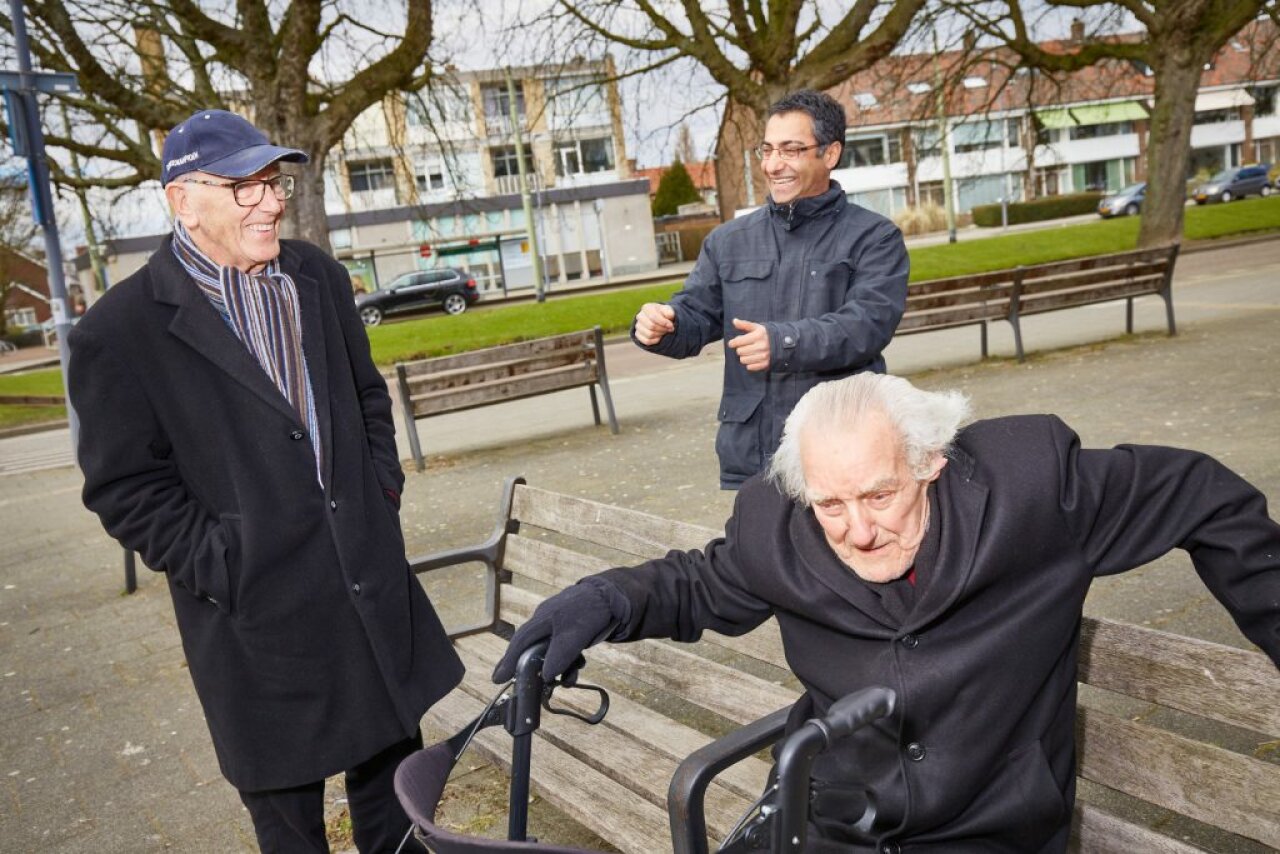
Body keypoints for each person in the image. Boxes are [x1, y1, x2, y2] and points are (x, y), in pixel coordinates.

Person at [493, 373, 1280, 851]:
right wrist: (599, 600)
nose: (859, 530)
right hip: (829, 820)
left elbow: (1206, 498)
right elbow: (698, 584)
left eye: (879, 494)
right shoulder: (781, 526)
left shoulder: (1037, 492)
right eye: (831, 503)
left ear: (930, 462)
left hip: (988, 826)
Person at [67, 109, 463, 853]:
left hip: (365, 598)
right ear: (183, 200)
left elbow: (367, 398)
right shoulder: (119, 331)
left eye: (272, 183)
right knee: (289, 833)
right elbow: (123, 487)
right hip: (258, 627)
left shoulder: (316, 275)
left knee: (402, 815)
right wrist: (224, 561)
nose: (271, 203)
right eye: (242, 188)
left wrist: (379, 497)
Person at [633, 89, 909, 489]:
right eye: (767, 150)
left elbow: (867, 325)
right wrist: (663, 325)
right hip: (753, 454)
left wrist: (783, 343)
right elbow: (696, 316)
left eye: (791, 150)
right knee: (759, 553)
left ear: (829, 154)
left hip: (841, 442)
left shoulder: (874, 237)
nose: (774, 164)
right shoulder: (729, 241)